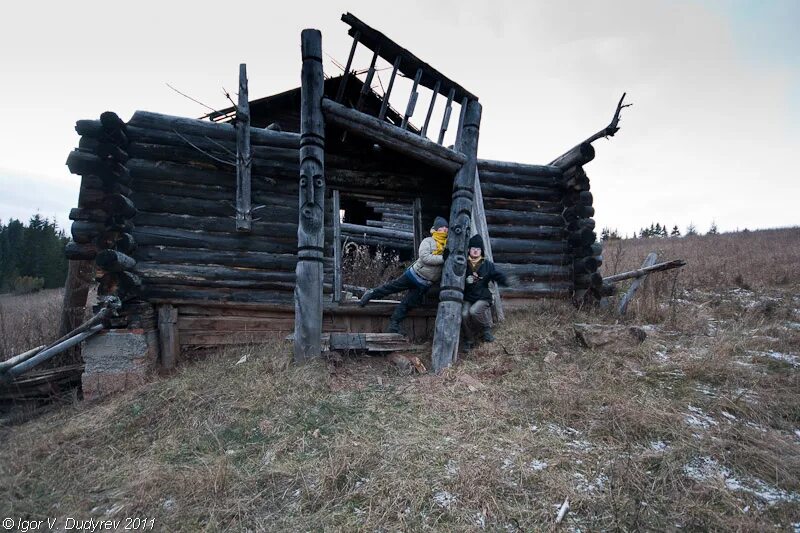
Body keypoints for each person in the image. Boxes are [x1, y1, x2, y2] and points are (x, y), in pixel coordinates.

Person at [358, 216, 449, 334]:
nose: (445, 230)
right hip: (413, 275)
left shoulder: (447, 245)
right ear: (436, 229)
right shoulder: (428, 241)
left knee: (407, 304)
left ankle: (393, 325)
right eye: (442, 228)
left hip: (424, 283)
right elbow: (425, 257)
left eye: (446, 228)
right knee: (391, 288)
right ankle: (370, 294)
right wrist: (443, 258)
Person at [461, 234, 512, 351]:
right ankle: (469, 340)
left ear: (481, 251)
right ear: (468, 250)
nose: (475, 251)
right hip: (468, 297)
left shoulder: (487, 265)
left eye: (478, 249)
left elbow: (496, 275)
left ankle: (486, 328)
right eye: (473, 248)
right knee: (464, 314)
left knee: (474, 311)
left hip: (483, 297)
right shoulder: (464, 264)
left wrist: (506, 280)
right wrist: (465, 281)